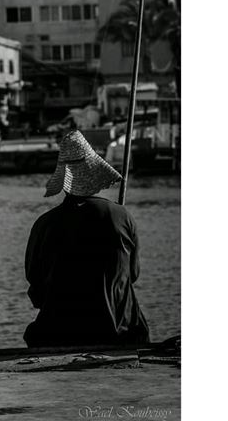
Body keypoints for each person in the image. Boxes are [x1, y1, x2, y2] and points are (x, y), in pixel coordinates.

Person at [24, 129, 149, 347]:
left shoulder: (44, 225)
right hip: (119, 332)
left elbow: (36, 293)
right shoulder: (121, 216)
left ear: (64, 179)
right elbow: (133, 275)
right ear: (93, 173)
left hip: (57, 333)